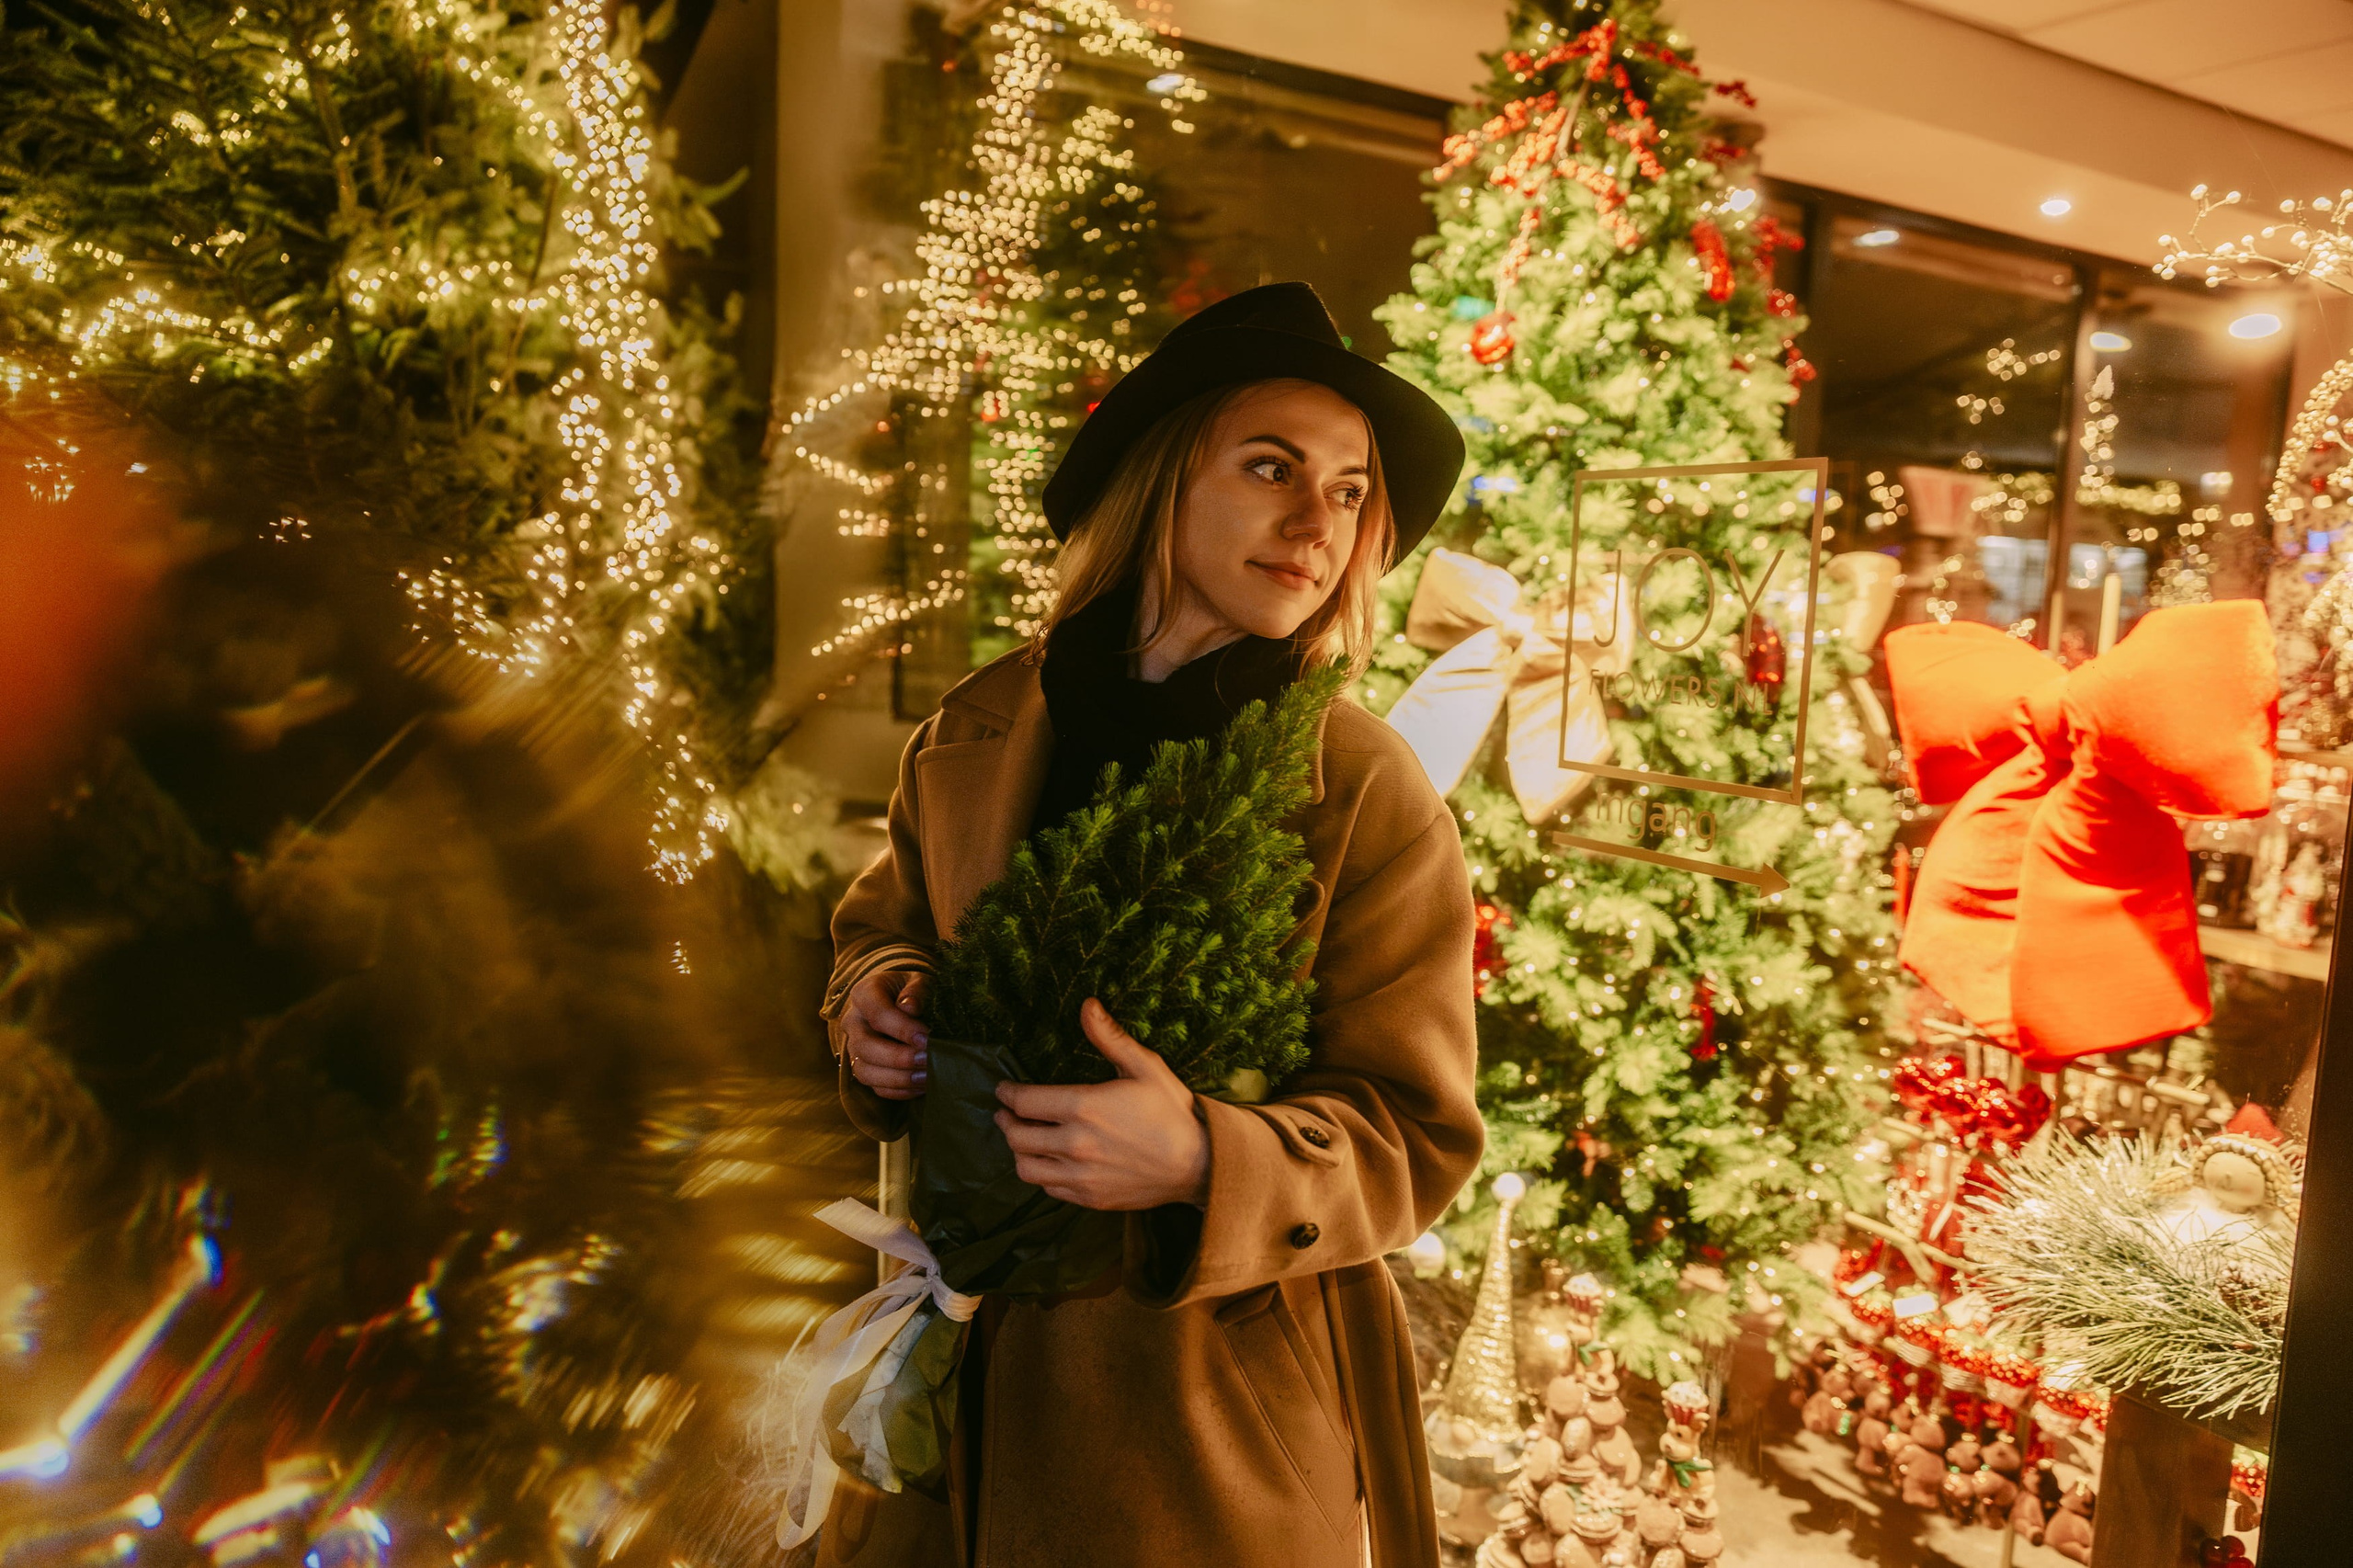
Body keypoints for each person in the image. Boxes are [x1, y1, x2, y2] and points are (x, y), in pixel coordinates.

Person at [823, 282, 1482, 1568]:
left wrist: (1202, 1159)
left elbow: (1415, 1133)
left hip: (1196, 1437)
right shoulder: (979, 726)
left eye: (1350, 491)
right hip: (948, 1381)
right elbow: (879, 925)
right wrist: (878, 1001)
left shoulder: (1360, 787)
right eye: (1273, 467)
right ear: (1163, 476)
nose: (1316, 520)